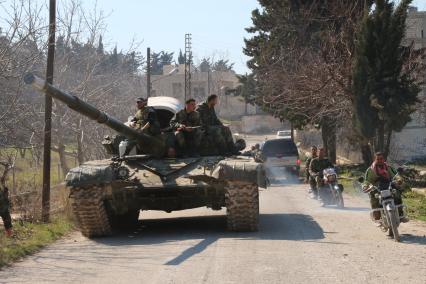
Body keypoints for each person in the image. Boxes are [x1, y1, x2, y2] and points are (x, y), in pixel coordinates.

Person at [363, 152, 408, 222]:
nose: (380, 160)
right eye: (378, 159)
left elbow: (396, 175)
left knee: (397, 195)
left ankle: (400, 215)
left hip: (389, 185)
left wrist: (399, 180)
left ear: (383, 159)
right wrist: (365, 186)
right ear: (375, 159)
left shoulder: (388, 167)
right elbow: (367, 181)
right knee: (374, 198)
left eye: (381, 159)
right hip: (376, 188)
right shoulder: (370, 170)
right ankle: (377, 217)